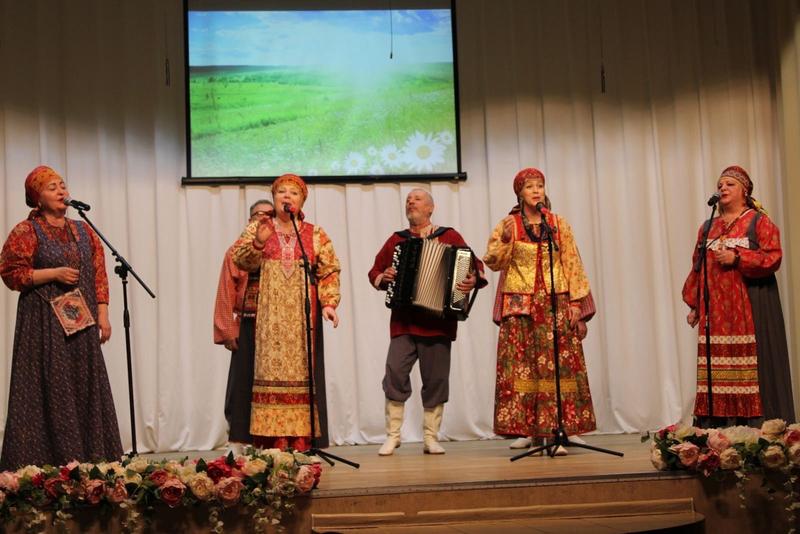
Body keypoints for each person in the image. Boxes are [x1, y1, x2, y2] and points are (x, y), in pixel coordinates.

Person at [0, 165, 123, 470]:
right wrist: (52, 274)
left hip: (80, 322)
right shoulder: (26, 231)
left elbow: (99, 273)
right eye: (52, 187)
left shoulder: (84, 230)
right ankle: (46, 464)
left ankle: (93, 460)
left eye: (62, 185)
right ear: (37, 198)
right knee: (49, 386)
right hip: (43, 322)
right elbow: (11, 272)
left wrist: (103, 314)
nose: (61, 191)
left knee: (83, 383)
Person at [483, 167, 596, 456]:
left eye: (540, 186)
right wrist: (505, 240)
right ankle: (529, 429)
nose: (536, 191)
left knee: (558, 365)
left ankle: (559, 427)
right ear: (520, 193)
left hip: (555, 303)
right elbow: (493, 262)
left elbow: (572, 263)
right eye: (530, 186)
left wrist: (576, 304)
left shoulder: (557, 223)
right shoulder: (509, 224)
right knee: (523, 365)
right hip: (521, 306)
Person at [369, 188, 487, 456]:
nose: (411, 202)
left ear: (430, 208)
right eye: (408, 200)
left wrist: (472, 279)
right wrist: (385, 276)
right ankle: (393, 436)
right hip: (404, 322)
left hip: (438, 325)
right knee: (395, 373)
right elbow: (375, 271)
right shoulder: (397, 240)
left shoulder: (450, 236)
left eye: (417, 199)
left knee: (436, 380)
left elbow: (475, 266)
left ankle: (430, 437)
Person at [231, 174, 340, 451]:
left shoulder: (314, 233)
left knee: (302, 377)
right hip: (270, 318)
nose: (287, 197)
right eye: (281, 192)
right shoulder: (259, 227)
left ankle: (300, 440)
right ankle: (271, 440)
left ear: (302, 200)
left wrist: (329, 303)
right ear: (274, 197)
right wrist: (258, 243)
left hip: (302, 320)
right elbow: (239, 260)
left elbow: (328, 271)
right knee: (270, 373)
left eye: (293, 193)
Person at [682, 165, 795, 427]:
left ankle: (757, 427)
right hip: (716, 311)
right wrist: (695, 305)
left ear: (745, 191)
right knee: (716, 367)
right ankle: (717, 428)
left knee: (751, 365)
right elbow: (697, 266)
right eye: (720, 184)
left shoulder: (758, 221)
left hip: (750, 306)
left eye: (729, 184)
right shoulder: (708, 227)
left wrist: (737, 258)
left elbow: (773, 257)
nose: (723, 188)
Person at [214, 199, 274, 454]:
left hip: (278, 326)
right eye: (258, 214)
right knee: (241, 384)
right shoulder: (237, 250)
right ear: (250, 221)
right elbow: (226, 291)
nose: (264, 218)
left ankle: (271, 440)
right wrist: (227, 329)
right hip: (249, 321)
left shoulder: (282, 249)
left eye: (269, 214)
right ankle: (237, 441)